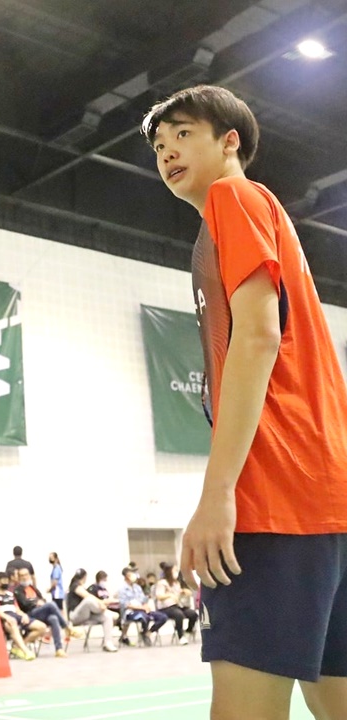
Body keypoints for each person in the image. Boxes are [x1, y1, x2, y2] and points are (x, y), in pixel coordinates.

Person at [146, 85, 347, 718]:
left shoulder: (232, 198)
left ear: (230, 141)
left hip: (277, 497)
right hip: (326, 500)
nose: (167, 152)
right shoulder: (258, 214)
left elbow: (257, 338)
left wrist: (218, 493)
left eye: (183, 134)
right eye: (159, 145)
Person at [12, 567, 76, 657]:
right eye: (22, 575)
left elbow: (42, 599)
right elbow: (25, 603)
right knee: (51, 605)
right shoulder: (17, 590)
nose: (24, 577)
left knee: (53, 618)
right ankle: (67, 628)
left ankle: (59, 649)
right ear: (18, 578)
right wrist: (36, 603)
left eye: (26, 575)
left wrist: (41, 602)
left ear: (30, 576)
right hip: (29, 615)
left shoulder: (32, 588)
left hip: (39, 613)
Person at [66, 570, 118, 652]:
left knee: (107, 617)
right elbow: (87, 596)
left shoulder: (82, 587)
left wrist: (101, 603)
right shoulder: (75, 586)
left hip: (85, 615)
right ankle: (105, 610)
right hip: (75, 616)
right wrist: (101, 603)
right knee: (88, 600)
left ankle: (108, 643)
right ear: (84, 577)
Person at [116, 567, 167, 645]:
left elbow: (143, 600)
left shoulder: (137, 587)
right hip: (131, 612)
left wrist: (146, 606)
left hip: (143, 610)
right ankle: (144, 633)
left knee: (162, 617)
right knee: (143, 617)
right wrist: (141, 608)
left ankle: (147, 633)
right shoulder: (122, 589)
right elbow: (125, 605)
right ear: (127, 576)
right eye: (132, 574)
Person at [153, 565, 199, 645]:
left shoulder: (176, 583)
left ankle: (188, 630)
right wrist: (169, 595)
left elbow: (178, 593)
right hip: (166, 608)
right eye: (174, 570)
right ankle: (181, 636)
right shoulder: (162, 583)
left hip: (177, 606)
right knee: (179, 614)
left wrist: (183, 592)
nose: (176, 572)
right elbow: (159, 596)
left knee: (193, 614)